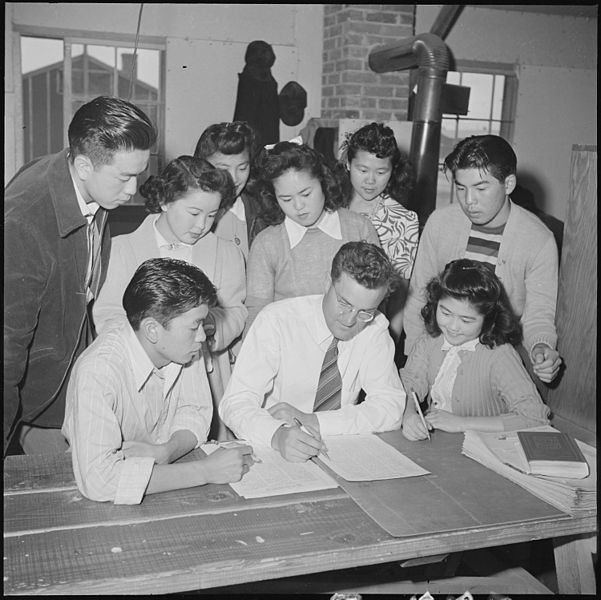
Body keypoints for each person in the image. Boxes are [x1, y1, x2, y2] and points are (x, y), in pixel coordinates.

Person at [4, 95, 157, 456]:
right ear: (85, 164)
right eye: (125, 176)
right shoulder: (24, 221)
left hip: (65, 373)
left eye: (139, 173)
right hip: (33, 396)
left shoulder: (85, 179)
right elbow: (6, 351)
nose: (134, 189)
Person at [63, 258, 254, 504]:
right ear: (152, 329)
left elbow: (195, 411)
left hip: (165, 480)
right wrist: (205, 471)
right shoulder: (98, 371)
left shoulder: (181, 345)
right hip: (98, 500)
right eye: (194, 326)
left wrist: (166, 451)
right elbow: (99, 481)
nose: (202, 335)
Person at [93, 156, 246, 440]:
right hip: (139, 383)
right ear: (164, 200)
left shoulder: (227, 253)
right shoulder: (121, 250)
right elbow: (108, 316)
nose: (202, 225)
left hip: (206, 378)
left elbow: (236, 311)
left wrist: (207, 327)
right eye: (194, 212)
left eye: (212, 215)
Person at [220, 242, 407, 462]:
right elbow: (235, 403)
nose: (349, 320)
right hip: (272, 450)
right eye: (344, 303)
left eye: (365, 312)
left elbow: (390, 407)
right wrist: (277, 435)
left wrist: (312, 420)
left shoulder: (375, 330)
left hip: (339, 448)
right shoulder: (277, 321)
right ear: (327, 283)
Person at [403, 134, 561, 384]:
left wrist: (541, 348)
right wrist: (414, 356)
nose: (469, 201)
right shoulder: (440, 223)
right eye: (461, 187)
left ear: (508, 184)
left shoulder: (538, 239)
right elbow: (418, 295)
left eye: (481, 188)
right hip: (438, 349)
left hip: (499, 358)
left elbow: (538, 314)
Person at [400, 259, 551, 441]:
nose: (453, 327)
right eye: (446, 313)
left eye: (466, 320)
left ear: (488, 318)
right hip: (440, 444)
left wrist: (462, 423)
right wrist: (408, 415)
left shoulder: (500, 355)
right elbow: (408, 387)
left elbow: (534, 418)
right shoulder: (430, 340)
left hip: (489, 446)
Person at [245, 141, 380, 330]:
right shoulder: (267, 243)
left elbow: (376, 300)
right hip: (289, 345)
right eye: (286, 199)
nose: (298, 207)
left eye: (306, 194)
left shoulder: (359, 228)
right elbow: (257, 313)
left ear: (324, 182)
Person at [337, 122, 420, 341]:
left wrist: (390, 341)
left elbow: (399, 294)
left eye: (381, 172)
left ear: (393, 172)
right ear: (347, 164)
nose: (370, 181)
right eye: (362, 170)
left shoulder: (403, 220)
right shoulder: (329, 208)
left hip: (370, 328)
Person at [194, 121, 267, 259]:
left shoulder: (262, 209)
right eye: (223, 169)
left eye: (242, 168)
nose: (234, 178)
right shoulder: (188, 211)